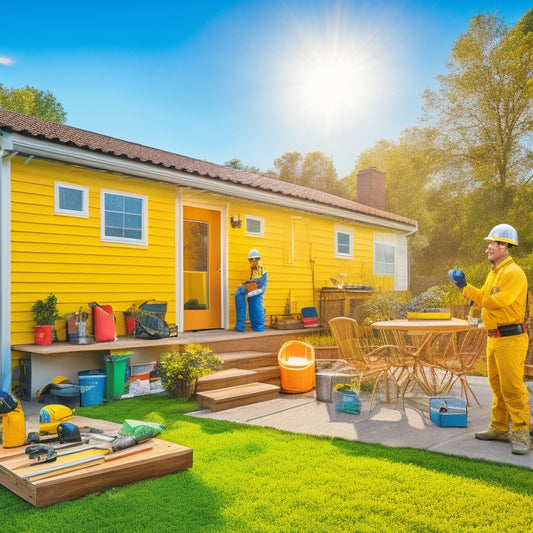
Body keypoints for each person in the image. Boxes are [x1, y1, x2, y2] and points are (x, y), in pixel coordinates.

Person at [448, 223, 531, 455]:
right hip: (494, 338)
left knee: (512, 386)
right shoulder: (494, 273)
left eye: (491, 244)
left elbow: (497, 301)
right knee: (496, 385)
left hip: (511, 337)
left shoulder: (513, 273)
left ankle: (522, 431)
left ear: (504, 246)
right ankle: (499, 426)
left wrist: (470, 290)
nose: (488, 249)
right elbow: (485, 297)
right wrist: (463, 287)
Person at [234, 249, 268, 332]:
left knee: (240, 294)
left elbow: (258, 280)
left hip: (259, 285)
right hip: (258, 285)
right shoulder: (256, 267)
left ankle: (240, 326)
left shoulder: (259, 267)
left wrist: (248, 283)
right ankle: (257, 328)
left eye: (253, 260)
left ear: (257, 259)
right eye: (251, 260)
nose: (252, 262)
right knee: (253, 302)